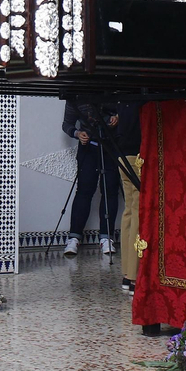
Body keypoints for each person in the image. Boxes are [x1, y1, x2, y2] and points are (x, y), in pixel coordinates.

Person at [61, 94, 121, 259]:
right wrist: (77, 133)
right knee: (84, 190)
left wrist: (118, 117)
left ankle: (106, 237)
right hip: (88, 148)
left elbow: (127, 110)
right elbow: (67, 124)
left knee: (110, 189)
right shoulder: (74, 95)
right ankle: (74, 237)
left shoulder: (112, 89)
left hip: (111, 146)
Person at [113, 100, 145, 297]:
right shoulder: (141, 99)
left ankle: (126, 274)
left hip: (122, 153)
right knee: (139, 212)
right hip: (138, 154)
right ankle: (135, 276)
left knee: (129, 212)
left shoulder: (123, 97)